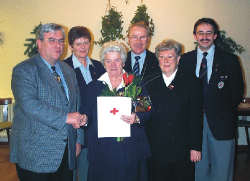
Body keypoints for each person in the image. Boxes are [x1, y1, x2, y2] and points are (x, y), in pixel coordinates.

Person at [10, 23, 87, 181]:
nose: (58, 45)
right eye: (51, 40)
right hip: (36, 154)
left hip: (67, 152)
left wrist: (78, 139)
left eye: (60, 41)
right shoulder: (24, 70)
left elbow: (76, 105)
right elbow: (29, 105)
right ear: (39, 43)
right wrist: (67, 117)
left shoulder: (68, 70)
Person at [180, 18, 244, 181]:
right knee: (197, 171)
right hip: (193, 125)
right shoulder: (185, 60)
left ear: (215, 35)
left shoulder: (230, 60)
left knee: (222, 171)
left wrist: (218, 111)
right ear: (195, 36)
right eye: (200, 33)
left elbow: (237, 93)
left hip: (221, 125)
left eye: (209, 33)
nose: (205, 36)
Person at [81, 41, 151, 181]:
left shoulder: (136, 83)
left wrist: (136, 117)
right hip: (102, 152)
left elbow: (146, 109)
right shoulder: (93, 87)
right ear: (103, 63)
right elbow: (86, 114)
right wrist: (84, 119)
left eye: (117, 60)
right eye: (108, 61)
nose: (113, 65)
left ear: (123, 62)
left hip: (130, 151)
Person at [145, 39, 203, 181]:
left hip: (182, 148)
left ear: (178, 59)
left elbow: (195, 117)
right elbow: (143, 113)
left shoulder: (192, 82)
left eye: (170, 57)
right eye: (161, 57)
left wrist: (195, 147)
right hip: (155, 147)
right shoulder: (147, 81)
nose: (165, 61)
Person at [64, 26, 105, 181]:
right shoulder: (64, 68)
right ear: (71, 46)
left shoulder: (99, 67)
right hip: (75, 128)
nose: (83, 47)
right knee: (73, 174)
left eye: (86, 43)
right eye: (78, 43)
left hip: (96, 127)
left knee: (91, 171)